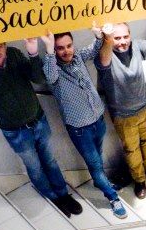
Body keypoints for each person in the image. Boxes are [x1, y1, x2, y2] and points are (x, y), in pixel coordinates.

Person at [0, 39, 83, 217]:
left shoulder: (14, 55)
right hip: (16, 132)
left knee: (50, 160)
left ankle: (63, 194)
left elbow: (38, 79)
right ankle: (52, 197)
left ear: (5, 45)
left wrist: (33, 53)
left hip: (39, 121)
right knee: (34, 167)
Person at [41, 27, 127, 218]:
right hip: (80, 130)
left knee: (99, 157)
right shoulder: (53, 69)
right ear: (54, 50)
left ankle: (100, 181)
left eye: (69, 46)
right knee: (95, 165)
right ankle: (112, 197)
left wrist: (98, 34)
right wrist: (48, 49)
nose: (66, 51)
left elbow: (96, 47)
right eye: (60, 48)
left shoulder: (78, 56)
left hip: (98, 120)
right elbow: (50, 76)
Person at [95, 18, 146, 200]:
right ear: (110, 38)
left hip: (145, 108)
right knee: (132, 150)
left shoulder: (137, 45)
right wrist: (107, 39)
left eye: (125, 36)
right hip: (123, 115)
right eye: (117, 38)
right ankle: (139, 180)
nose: (122, 42)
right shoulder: (105, 53)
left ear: (130, 35)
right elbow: (104, 61)